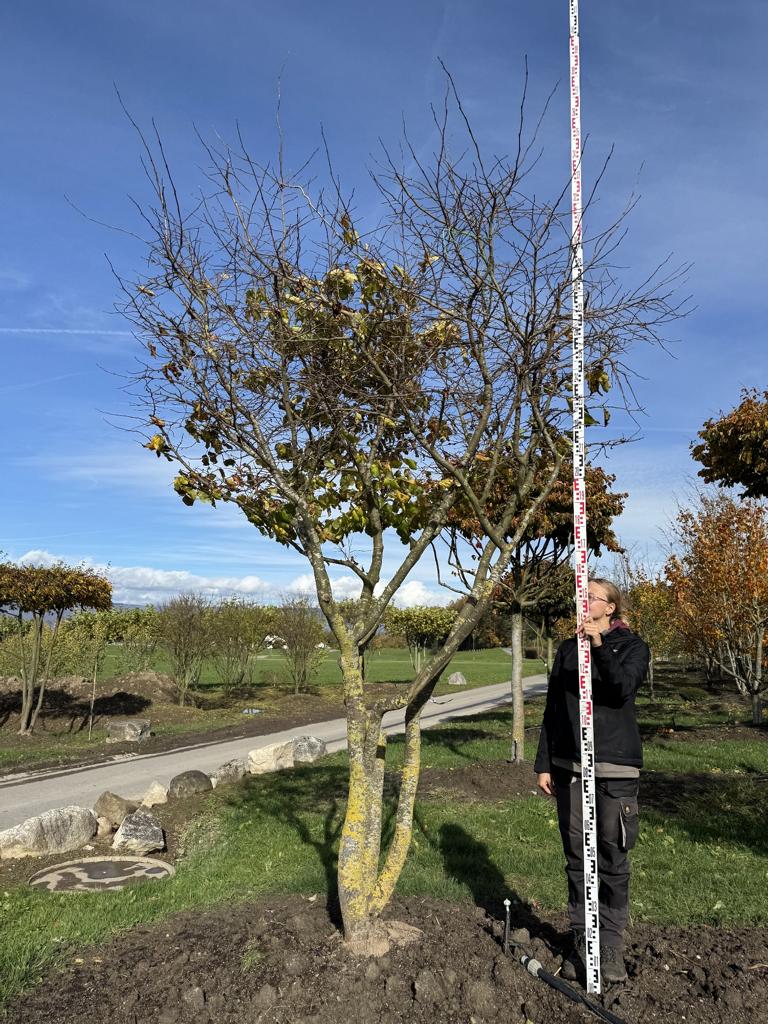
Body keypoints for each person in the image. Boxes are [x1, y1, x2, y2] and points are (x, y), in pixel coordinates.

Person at [534, 578, 649, 985]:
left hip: (614, 770)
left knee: (612, 857)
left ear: (610, 608)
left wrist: (598, 646)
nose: (583, 601)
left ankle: (611, 946)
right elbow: (552, 708)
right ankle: (584, 940)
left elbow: (620, 689)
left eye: (592, 596)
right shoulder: (567, 649)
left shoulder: (632, 647)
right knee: (577, 860)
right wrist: (545, 762)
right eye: (581, 594)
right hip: (570, 768)